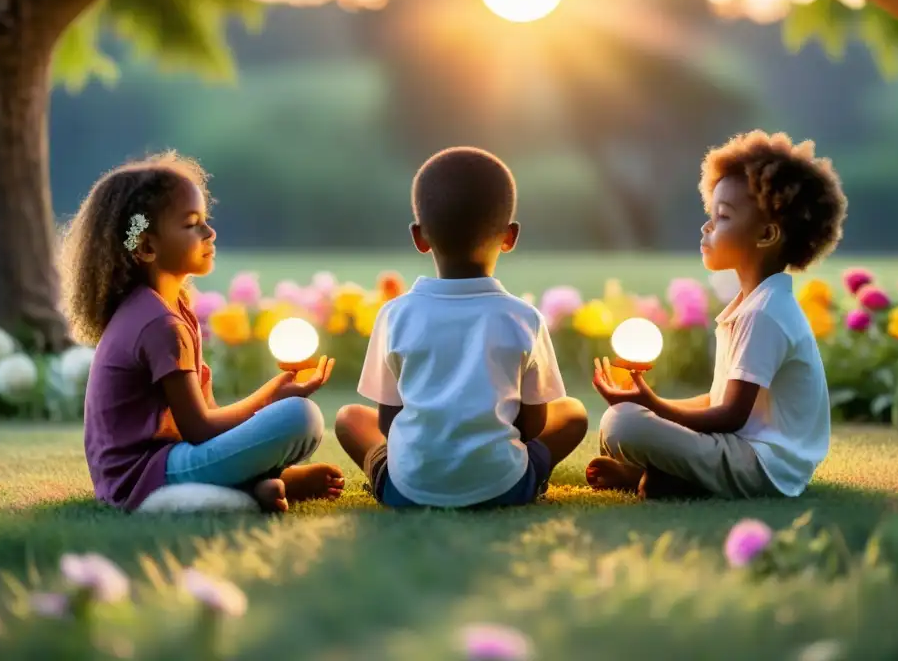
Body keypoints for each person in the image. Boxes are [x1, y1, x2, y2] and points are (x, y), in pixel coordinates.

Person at [62, 152, 345, 513]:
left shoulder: (171, 307)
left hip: (166, 462)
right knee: (300, 418)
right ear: (147, 246)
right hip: (143, 478)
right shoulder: (157, 323)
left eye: (205, 221)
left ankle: (254, 486)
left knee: (295, 415)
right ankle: (253, 488)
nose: (209, 232)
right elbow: (200, 429)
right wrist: (270, 397)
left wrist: (270, 401)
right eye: (192, 224)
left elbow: (207, 421)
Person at [587, 130, 847, 500]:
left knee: (623, 425)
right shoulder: (754, 304)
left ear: (767, 234)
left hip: (763, 467)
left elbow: (729, 417)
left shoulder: (765, 314)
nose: (707, 226)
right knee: (625, 418)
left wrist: (653, 408)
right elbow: (716, 400)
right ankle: (661, 473)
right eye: (711, 213)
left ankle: (663, 474)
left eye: (723, 216)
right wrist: (645, 403)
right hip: (742, 451)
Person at [335, 147, 589, 509]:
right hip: (504, 487)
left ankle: (392, 480)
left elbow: (390, 424)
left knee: (350, 419)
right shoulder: (523, 317)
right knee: (574, 413)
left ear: (419, 237)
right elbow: (533, 427)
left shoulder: (395, 314)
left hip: (408, 491)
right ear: (510, 236)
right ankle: (513, 477)